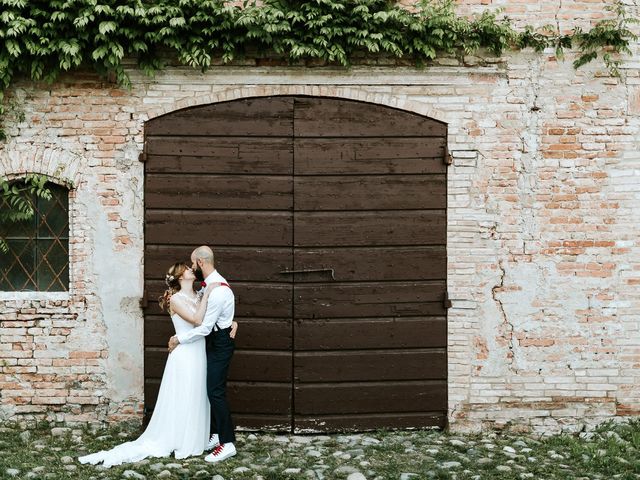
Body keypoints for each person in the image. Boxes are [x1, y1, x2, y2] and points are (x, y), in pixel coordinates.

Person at [78, 262, 236, 467]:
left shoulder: (197, 294)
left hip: (198, 352)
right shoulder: (176, 299)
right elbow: (198, 320)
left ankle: (196, 437)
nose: (191, 270)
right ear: (180, 276)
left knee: (196, 394)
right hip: (185, 354)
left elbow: (210, 318)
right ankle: (179, 438)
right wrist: (208, 295)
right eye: (187, 269)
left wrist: (231, 322)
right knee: (183, 394)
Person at [168, 245, 237, 463]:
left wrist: (179, 338)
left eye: (192, 263)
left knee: (215, 392)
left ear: (200, 263)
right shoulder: (209, 287)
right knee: (210, 390)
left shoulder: (217, 291)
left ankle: (227, 443)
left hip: (219, 342)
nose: (191, 268)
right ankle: (216, 435)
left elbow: (205, 327)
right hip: (215, 341)